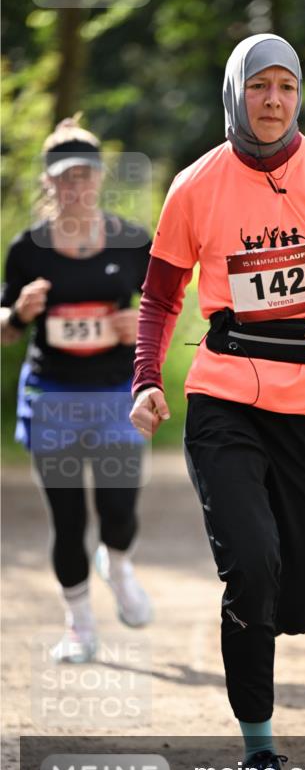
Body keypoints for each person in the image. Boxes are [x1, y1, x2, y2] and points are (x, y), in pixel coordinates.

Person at [130, 34, 305, 770]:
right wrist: (146, 380)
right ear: (235, 93)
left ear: (299, 95)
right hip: (224, 398)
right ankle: (259, 751)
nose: (274, 99)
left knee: (298, 598)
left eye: (286, 86)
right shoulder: (195, 186)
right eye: (260, 86)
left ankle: (279, 613)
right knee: (249, 567)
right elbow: (159, 300)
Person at [0, 116, 153, 663]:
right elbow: (6, 328)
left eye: (85, 176)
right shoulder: (27, 252)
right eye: (65, 179)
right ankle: (79, 625)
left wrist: (140, 323)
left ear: (99, 178)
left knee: (119, 512)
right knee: (68, 520)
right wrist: (17, 311)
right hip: (53, 396)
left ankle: (118, 563)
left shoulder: (134, 243)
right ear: (49, 184)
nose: (76, 188)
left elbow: (165, 307)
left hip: (116, 394)